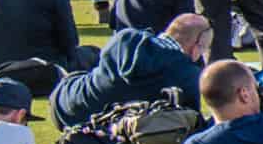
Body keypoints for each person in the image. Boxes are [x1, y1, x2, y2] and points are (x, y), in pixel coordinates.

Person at [53, 11, 212, 132]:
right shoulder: (188, 75)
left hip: (67, 108)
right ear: (196, 46)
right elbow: (193, 122)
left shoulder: (125, 37)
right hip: (115, 127)